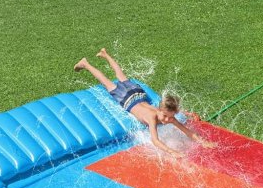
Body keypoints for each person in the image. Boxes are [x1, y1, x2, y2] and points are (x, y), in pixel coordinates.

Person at [74, 48, 214, 158]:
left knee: (121, 75)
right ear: (160, 110)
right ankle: (85, 63)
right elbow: (155, 140)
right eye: (165, 116)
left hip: (138, 95)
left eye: (170, 117)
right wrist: (172, 152)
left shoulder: (167, 116)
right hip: (126, 99)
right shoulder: (152, 118)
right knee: (107, 82)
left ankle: (105, 54)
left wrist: (204, 142)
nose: (167, 120)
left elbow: (187, 131)